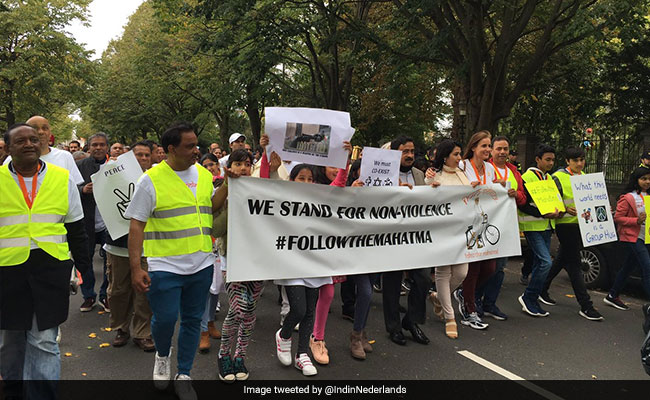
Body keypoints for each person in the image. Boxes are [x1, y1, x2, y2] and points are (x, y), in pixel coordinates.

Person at [0, 123, 91, 400]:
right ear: (8, 148)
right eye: (20, 141)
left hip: (50, 269)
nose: (29, 144)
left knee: (43, 340)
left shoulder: (61, 178)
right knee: (9, 342)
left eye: (33, 139)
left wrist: (83, 266)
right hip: (7, 272)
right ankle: (14, 391)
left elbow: (76, 226)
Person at [126, 122, 214, 399]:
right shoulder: (150, 180)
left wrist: (234, 185)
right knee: (164, 320)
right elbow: (136, 226)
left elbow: (214, 207)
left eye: (196, 144)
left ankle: (184, 373)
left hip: (202, 263)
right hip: (165, 265)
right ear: (170, 150)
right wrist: (136, 267)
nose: (196, 151)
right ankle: (163, 356)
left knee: (191, 321)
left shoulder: (204, 175)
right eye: (190, 146)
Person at [212, 149, 265, 382]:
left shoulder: (261, 192)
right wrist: (231, 195)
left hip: (257, 262)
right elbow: (216, 229)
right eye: (238, 164)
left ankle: (238, 356)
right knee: (242, 308)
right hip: (231, 260)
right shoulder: (221, 193)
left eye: (247, 164)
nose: (243, 168)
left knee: (243, 312)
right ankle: (224, 354)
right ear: (229, 167)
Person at [539, 146, 603, 321]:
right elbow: (550, 201)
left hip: (581, 225)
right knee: (574, 263)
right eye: (575, 160)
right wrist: (565, 209)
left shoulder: (585, 178)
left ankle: (541, 289)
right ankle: (586, 305)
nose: (580, 163)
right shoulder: (558, 177)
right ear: (567, 161)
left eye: (582, 160)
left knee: (562, 258)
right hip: (565, 225)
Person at [274, 164, 327, 376]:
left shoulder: (320, 200)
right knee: (298, 309)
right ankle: (284, 335)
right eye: (301, 178)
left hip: (313, 262)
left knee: (310, 311)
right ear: (292, 180)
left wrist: (346, 163)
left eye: (309, 179)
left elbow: (342, 196)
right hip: (291, 263)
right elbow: (265, 188)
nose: (306, 182)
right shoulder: (283, 198)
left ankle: (302, 354)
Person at [105, 141, 155, 352]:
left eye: (146, 155)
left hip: (147, 245)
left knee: (144, 292)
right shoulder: (112, 175)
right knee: (118, 291)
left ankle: (143, 332)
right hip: (117, 245)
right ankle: (121, 327)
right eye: (138, 155)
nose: (143, 159)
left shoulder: (156, 179)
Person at [382, 135, 431, 346]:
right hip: (391, 238)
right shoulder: (384, 175)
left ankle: (411, 321)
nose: (410, 155)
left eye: (412, 151)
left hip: (415, 238)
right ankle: (393, 327)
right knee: (392, 284)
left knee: (423, 280)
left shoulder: (420, 175)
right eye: (405, 152)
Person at [474, 136, 527, 322]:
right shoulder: (485, 169)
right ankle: (474, 300)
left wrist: (516, 194)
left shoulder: (514, 171)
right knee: (487, 267)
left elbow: (523, 197)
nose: (502, 152)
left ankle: (490, 303)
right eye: (498, 149)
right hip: (486, 225)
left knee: (500, 268)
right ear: (492, 151)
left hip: (507, 226)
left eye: (505, 149)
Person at [452, 131, 497, 330]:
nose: (488, 150)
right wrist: (468, 187)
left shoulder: (490, 168)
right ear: (473, 148)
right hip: (467, 224)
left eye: (489, 146)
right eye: (484, 146)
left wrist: (505, 189)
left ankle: (463, 293)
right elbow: (451, 188)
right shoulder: (462, 166)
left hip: (486, 222)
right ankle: (470, 311)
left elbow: (495, 191)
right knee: (473, 268)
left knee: (490, 269)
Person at [425, 139, 470, 339]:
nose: (460, 158)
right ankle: (450, 317)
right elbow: (426, 200)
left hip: (461, 232)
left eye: (460, 154)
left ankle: (438, 298)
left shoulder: (463, 174)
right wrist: (431, 187)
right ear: (445, 156)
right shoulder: (434, 176)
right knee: (443, 272)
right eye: (456, 154)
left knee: (461, 273)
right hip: (441, 232)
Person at [517, 144, 561, 317]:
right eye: (547, 159)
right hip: (532, 226)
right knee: (545, 262)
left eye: (552, 160)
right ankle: (529, 297)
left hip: (547, 226)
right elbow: (524, 205)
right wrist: (543, 213)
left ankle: (532, 299)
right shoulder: (527, 178)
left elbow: (554, 201)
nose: (551, 163)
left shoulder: (549, 178)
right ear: (537, 159)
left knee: (539, 263)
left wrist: (559, 211)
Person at [604, 167, 650, 309]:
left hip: (646, 236)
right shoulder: (628, 197)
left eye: (649, 179)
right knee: (647, 267)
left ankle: (612, 295)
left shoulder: (648, 195)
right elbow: (618, 218)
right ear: (636, 180)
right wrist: (636, 220)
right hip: (633, 237)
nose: (647, 182)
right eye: (643, 179)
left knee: (628, 267)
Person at [76, 132, 111, 313]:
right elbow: (68, 188)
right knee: (84, 260)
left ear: (107, 147)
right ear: (88, 147)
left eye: (102, 144)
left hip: (109, 223)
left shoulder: (115, 166)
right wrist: (83, 190)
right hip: (86, 221)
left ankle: (106, 295)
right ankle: (88, 296)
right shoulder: (79, 165)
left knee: (110, 261)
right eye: (94, 145)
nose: (98, 148)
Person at [3, 116, 84, 187]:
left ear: (50, 133)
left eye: (45, 128)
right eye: (35, 128)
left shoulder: (65, 156)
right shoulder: (11, 160)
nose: (40, 132)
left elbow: (74, 187)